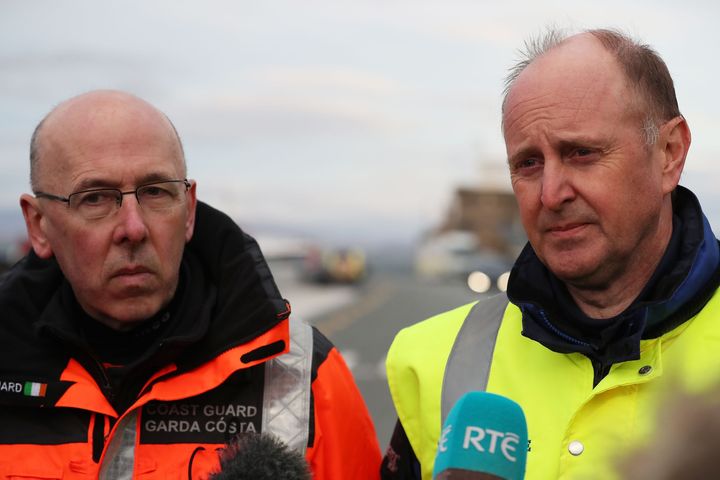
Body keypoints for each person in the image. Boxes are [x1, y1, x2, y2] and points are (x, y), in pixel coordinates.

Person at [381, 28, 720, 480]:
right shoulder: (429, 359)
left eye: (581, 152)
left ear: (669, 154)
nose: (551, 193)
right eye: (528, 164)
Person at [0, 90, 381, 478]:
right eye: (95, 198)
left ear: (189, 210)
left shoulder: (302, 370)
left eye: (155, 192)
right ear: (39, 225)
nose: (134, 228)